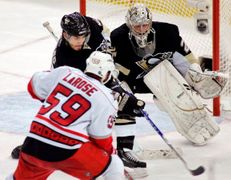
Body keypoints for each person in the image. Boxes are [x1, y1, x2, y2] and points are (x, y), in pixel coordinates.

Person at [109, 3, 204, 170]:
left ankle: (195, 127)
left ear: (151, 22)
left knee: (176, 97)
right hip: (133, 80)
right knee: (123, 102)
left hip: (162, 78)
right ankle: (126, 145)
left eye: (145, 24)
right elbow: (114, 67)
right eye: (136, 26)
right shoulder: (118, 36)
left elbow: (188, 58)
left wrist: (194, 75)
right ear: (129, 24)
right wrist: (120, 90)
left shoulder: (169, 32)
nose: (141, 29)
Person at [7, 51, 125, 180]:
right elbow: (100, 139)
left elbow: (33, 86)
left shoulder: (66, 72)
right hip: (67, 148)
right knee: (114, 165)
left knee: (18, 178)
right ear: (108, 73)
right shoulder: (107, 98)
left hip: (33, 141)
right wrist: (110, 155)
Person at [11, 11, 110, 159]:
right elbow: (55, 94)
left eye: (83, 36)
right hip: (79, 73)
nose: (81, 40)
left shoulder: (91, 25)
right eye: (76, 37)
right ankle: (37, 142)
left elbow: (104, 28)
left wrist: (108, 46)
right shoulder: (61, 57)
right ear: (65, 35)